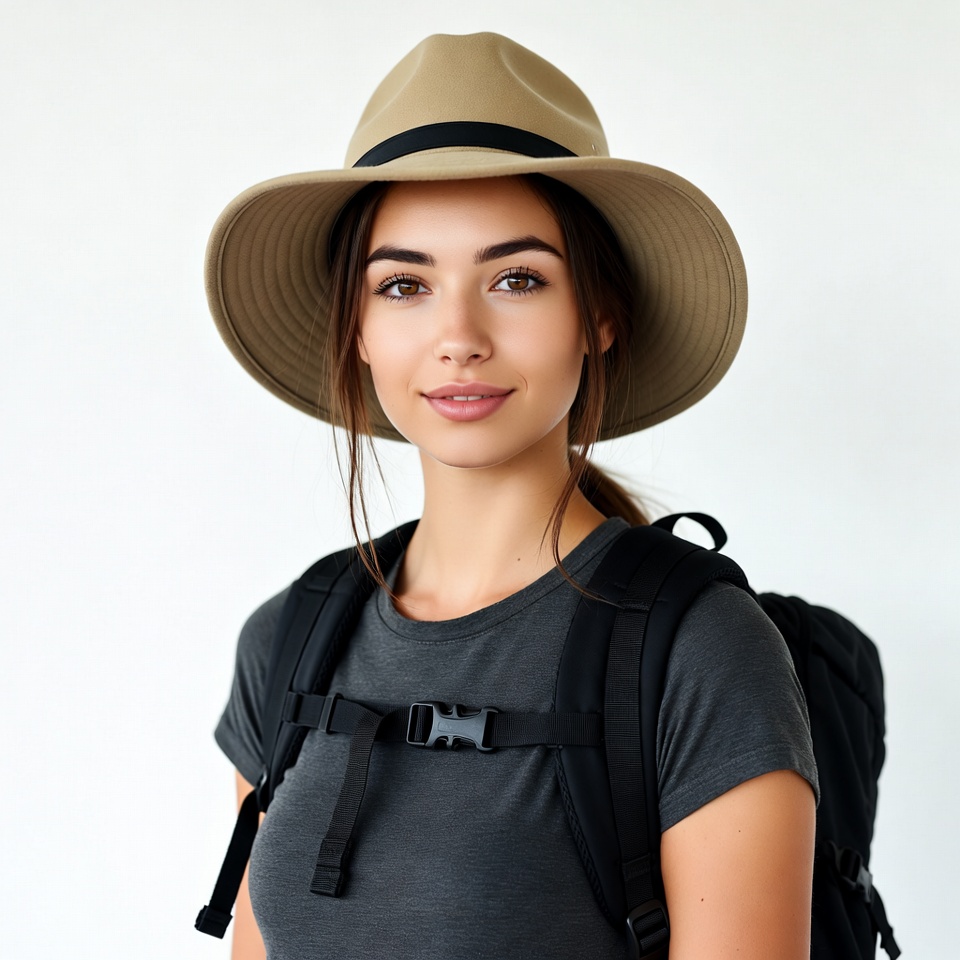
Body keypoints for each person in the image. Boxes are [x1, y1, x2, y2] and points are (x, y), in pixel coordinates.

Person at [206, 32, 819, 960]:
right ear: (358, 329)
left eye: (517, 279)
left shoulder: (703, 650)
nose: (458, 336)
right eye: (404, 285)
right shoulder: (291, 640)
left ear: (598, 316)